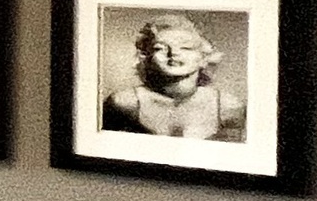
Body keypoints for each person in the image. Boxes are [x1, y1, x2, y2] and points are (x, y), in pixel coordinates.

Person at [101, 12, 243, 141]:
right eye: (160, 48)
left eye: (186, 48)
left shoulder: (227, 106)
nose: (173, 53)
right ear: (147, 57)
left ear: (204, 57)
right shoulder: (124, 103)